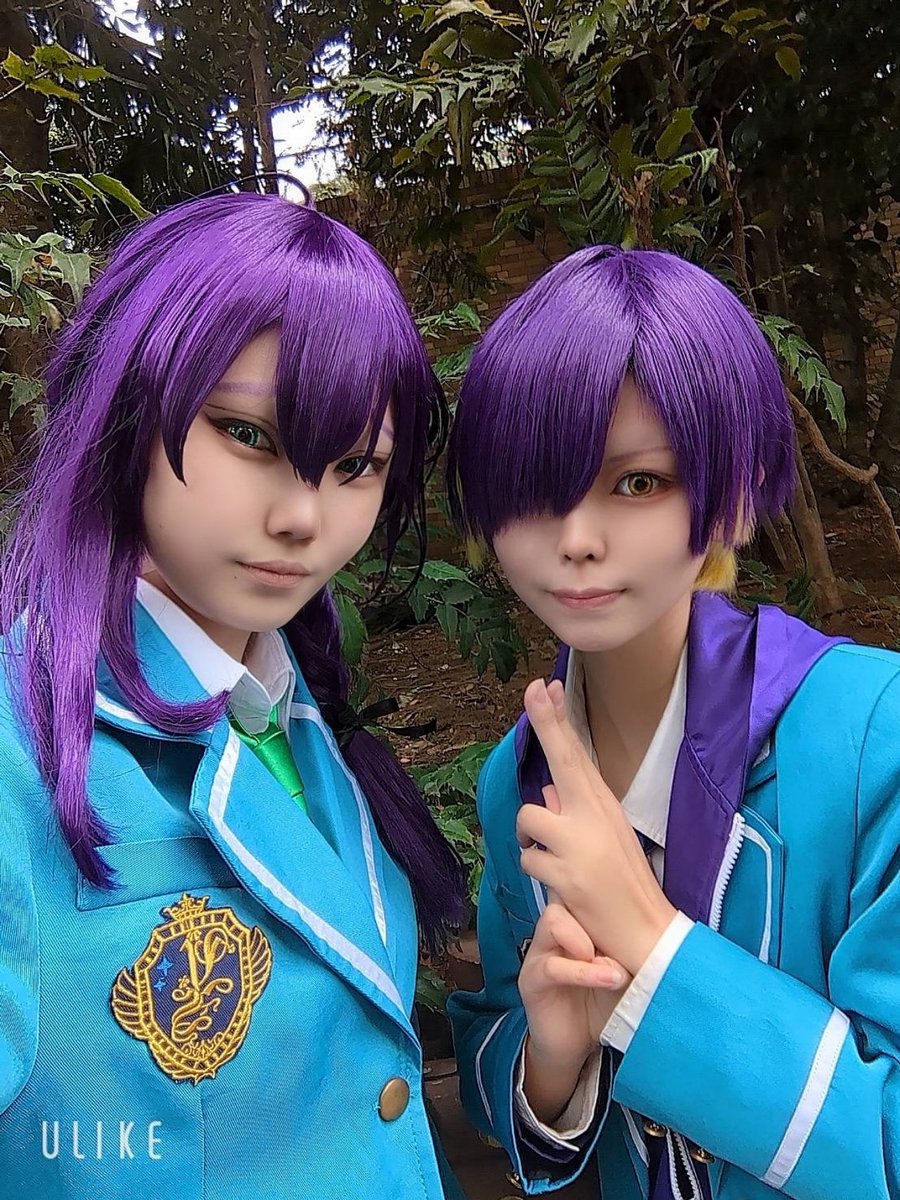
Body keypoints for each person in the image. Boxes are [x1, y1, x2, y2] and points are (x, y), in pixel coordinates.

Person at [0, 190, 466, 1200]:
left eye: (355, 465)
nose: (303, 516)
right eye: (250, 434)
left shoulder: (300, 718)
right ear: (127, 407)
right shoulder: (15, 753)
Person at [446, 244, 900, 1199]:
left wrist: (655, 953)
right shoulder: (516, 784)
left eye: (637, 483)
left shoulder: (874, 735)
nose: (576, 539)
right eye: (534, 486)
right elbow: (496, 1048)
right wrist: (552, 1067)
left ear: (733, 491)